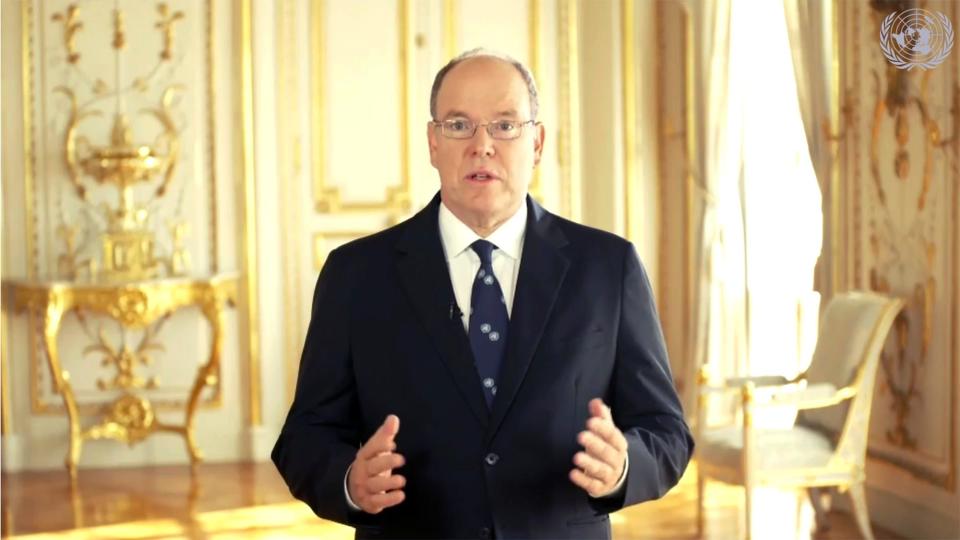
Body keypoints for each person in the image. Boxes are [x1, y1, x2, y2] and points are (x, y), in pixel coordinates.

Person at [272, 48, 693, 539]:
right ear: (433, 142)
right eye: (458, 125)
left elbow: (667, 433)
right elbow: (303, 438)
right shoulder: (356, 274)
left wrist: (623, 467)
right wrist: (348, 481)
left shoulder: (607, 268)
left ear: (536, 142)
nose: (482, 145)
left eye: (505, 125)